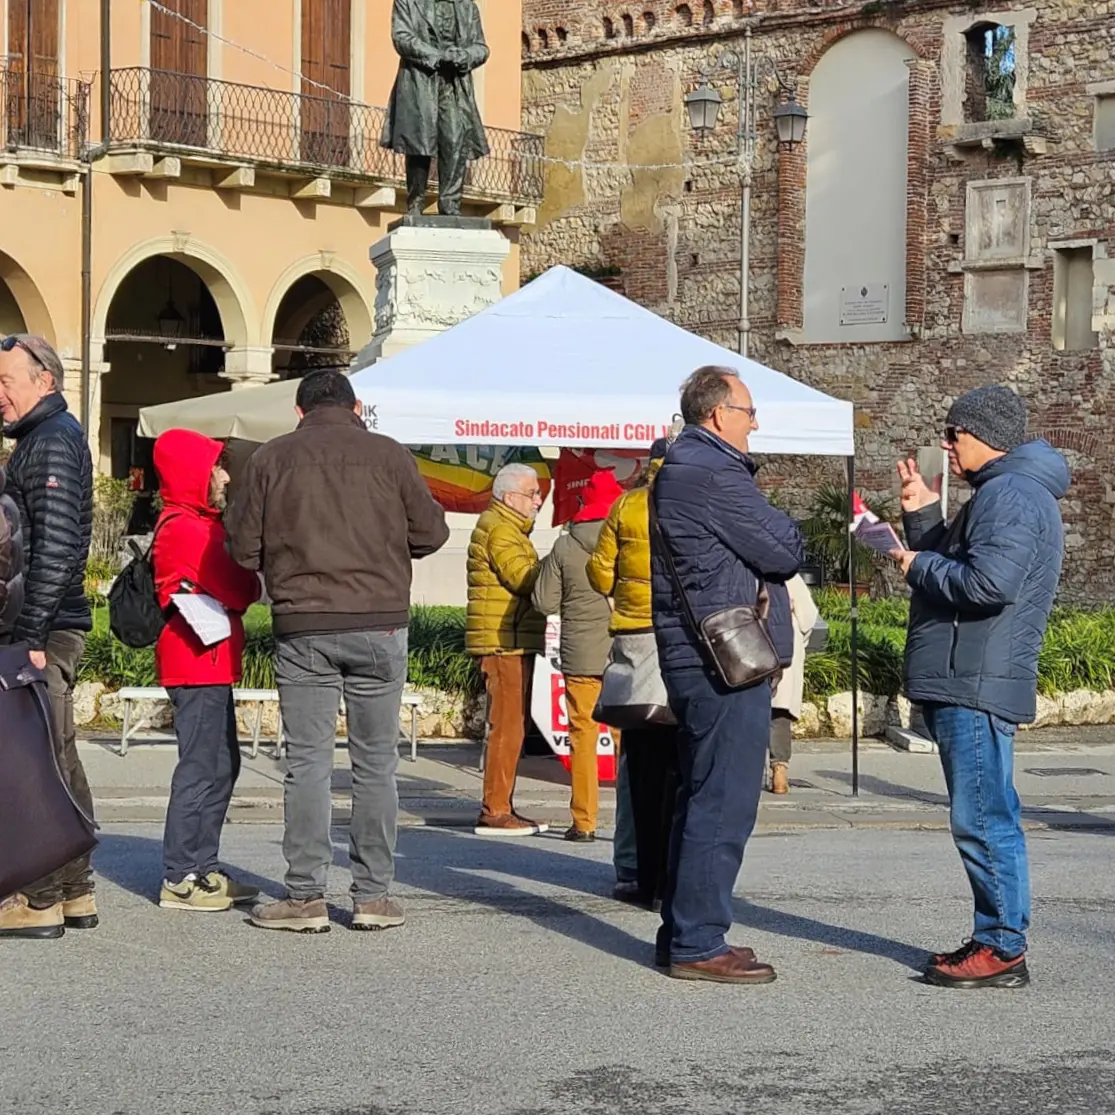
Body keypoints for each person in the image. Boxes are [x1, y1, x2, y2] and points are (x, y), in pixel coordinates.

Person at [228, 371, 449, 934]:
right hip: (379, 624)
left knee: (308, 764)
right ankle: (373, 896)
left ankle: (304, 896)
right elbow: (431, 536)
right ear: (358, 407)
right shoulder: (391, 455)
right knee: (377, 764)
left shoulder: (272, 458)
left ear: (298, 412)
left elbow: (243, 548)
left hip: (304, 624)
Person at [891, 385, 1069, 990]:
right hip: (970, 674)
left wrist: (917, 564)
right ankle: (996, 936)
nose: (947, 442)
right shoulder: (1005, 491)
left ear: (984, 433)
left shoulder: (1010, 494)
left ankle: (1001, 948)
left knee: (984, 818)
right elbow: (970, 566)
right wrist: (922, 518)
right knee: (987, 814)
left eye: (954, 432)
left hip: (974, 680)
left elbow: (986, 585)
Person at [652, 366, 804, 984]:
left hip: (698, 655)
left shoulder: (687, 467)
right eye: (748, 410)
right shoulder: (712, 472)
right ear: (718, 414)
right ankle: (698, 942)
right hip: (721, 660)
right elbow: (786, 547)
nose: (755, 421)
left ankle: (684, 931)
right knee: (723, 799)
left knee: (700, 794)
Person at [0, 334, 95, 940]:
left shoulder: (52, 443)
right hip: (46, 624)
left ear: (46, 381)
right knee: (55, 754)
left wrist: (30, 635)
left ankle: (38, 900)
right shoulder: (41, 440)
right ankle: (74, 889)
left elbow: (58, 549)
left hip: (42, 628)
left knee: (28, 763)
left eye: (6, 381)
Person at [152, 430, 263, 913]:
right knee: (201, 767)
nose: (224, 476)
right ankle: (181, 876)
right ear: (192, 473)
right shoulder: (186, 527)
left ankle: (203, 866)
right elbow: (243, 588)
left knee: (221, 765)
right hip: (195, 663)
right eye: (216, 467)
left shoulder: (199, 522)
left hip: (210, 663)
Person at [589, 438, 679, 910]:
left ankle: (638, 873)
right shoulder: (693, 501)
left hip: (635, 638)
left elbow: (600, 575)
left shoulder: (626, 506)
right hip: (684, 639)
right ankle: (673, 875)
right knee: (681, 766)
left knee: (638, 764)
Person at [532, 468, 623, 842]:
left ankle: (583, 822)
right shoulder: (628, 539)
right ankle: (633, 823)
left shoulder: (565, 546)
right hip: (624, 653)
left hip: (581, 655)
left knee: (582, 735)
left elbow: (543, 601)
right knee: (629, 737)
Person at [466, 462, 547, 836]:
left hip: (510, 639)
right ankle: (496, 809)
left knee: (511, 726)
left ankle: (502, 804)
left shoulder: (508, 528)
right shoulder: (501, 530)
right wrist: (561, 565)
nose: (538, 500)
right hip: (503, 643)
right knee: (507, 728)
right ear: (510, 496)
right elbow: (523, 579)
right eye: (532, 494)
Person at [381, 0, 490, 216]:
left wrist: (464, 56)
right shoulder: (408, 2)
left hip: (454, 84)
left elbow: (481, 47)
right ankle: (416, 201)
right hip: (420, 80)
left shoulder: (467, 7)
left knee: (455, 139)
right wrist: (437, 55)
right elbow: (402, 37)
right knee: (420, 144)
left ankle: (450, 204)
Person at [768, 574, 820, 795]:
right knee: (779, 714)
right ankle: (779, 769)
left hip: (749, 644)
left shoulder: (742, 569)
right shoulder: (789, 575)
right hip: (785, 643)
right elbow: (808, 616)